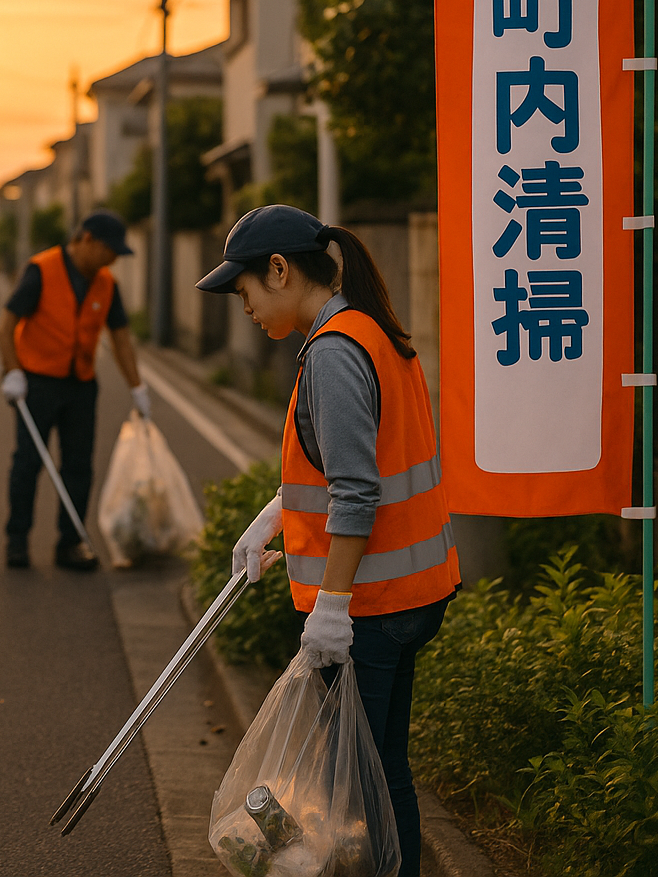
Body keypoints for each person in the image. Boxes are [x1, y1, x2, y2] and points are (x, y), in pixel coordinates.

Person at [198, 204, 461, 877]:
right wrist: (276, 514)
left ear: (280, 270)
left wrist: (333, 606)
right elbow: (346, 467)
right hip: (413, 594)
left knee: (357, 795)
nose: (246, 307)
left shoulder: (335, 353)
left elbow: (356, 492)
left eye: (246, 289)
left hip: (369, 610)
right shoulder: (369, 331)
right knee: (383, 774)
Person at [0, 210, 152, 571]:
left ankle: (70, 543)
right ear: (86, 240)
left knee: (79, 467)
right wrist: (12, 372)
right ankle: (16, 541)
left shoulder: (106, 284)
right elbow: (5, 326)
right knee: (28, 463)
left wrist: (137, 387)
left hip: (81, 384)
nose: (113, 258)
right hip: (36, 383)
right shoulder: (41, 270)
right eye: (109, 250)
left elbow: (122, 340)